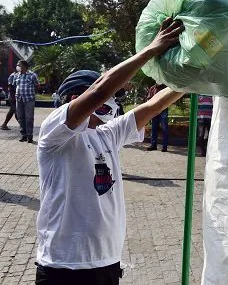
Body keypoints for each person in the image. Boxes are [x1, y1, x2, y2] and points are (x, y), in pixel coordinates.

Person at [35, 17, 184, 284]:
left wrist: (194, 78)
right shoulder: (54, 133)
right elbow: (99, 90)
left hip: (107, 263)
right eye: (109, 97)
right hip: (64, 267)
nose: (112, 103)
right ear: (74, 99)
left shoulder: (108, 134)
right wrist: (150, 50)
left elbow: (154, 106)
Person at [14, 60, 39, 143]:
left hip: (29, 99)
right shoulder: (17, 75)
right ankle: (23, 135)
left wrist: (33, 94)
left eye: (19, 65)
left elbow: (37, 85)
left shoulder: (32, 75)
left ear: (24, 66)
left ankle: (29, 136)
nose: (17, 66)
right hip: (19, 99)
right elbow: (15, 85)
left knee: (29, 118)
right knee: (20, 117)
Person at [146, 84, 169, 152]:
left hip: (163, 109)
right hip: (154, 110)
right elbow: (148, 98)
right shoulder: (152, 88)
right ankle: (153, 145)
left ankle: (164, 146)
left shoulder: (165, 88)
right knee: (154, 127)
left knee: (164, 128)